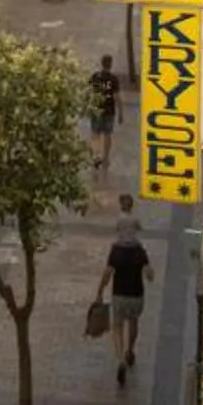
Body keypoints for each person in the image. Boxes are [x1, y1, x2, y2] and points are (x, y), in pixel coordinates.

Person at [98, 201, 152, 386]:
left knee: (118, 326)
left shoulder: (116, 251)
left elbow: (107, 273)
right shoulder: (140, 251)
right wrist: (147, 269)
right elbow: (149, 275)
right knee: (134, 322)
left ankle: (120, 357)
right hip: (136, 294)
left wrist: (99, 291)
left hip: (119, 294)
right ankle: (130, 350)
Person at [88, 57, 121, 174]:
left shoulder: (95, 77)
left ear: (101, 64)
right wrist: (120, 112)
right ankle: (106, 157)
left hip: (96, 109)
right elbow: (116, 97)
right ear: (110, 64)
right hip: (109, 110)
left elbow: (90, 92)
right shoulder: (113, 79)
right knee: (107, 134)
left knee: (95, 134)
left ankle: (96, 155)